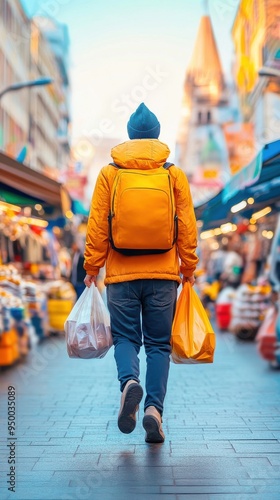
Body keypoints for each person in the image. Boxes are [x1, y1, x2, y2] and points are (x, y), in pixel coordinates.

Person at [84, 103, 198, 443]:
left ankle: (128, 382)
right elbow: (187, 227)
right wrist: (188, 268)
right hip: (164, 275)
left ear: (131, 136)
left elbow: (97, 226)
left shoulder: (110, 173)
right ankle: (154, 411)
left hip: (120, 275)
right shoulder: (172, 173)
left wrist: (92, 267)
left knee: (126, 339)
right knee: (159, 346)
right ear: (157, 136)